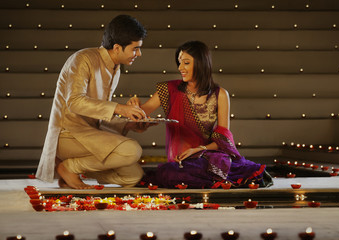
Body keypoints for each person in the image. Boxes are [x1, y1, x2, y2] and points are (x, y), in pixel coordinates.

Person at [129, 41, 273, 188]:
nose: (180, 68)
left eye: (186, 63)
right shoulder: (169, 89)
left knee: (235, 170)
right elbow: (140, 113)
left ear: (201, 63)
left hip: (207, 157)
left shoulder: (220, 95)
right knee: (173, 174)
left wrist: (198, 149)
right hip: (181, 161)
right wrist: (135, 105)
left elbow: (223, 140)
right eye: (179, 63)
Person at [36, 15, 148, 189]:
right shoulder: (83, 59)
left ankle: (70, 174)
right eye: (135, 49)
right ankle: (68, 168)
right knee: (132, 151)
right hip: (69, 135)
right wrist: (120, 108)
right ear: (117, 48)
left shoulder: (115, 68)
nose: (139, 54)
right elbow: (75, 102)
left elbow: (97, 114)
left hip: (89, 134)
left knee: (132, 175)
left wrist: (127, 124)